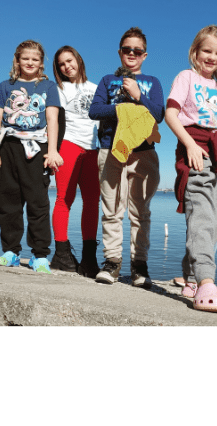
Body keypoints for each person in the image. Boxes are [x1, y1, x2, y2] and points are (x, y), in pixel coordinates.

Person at [165, 25, 217, 313]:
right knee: (199, 216)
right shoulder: (186, 77)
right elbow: (171, 114)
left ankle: (190, 279)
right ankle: (206, 282)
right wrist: (188, 144)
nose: (211, 57)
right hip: (195, 149)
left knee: (213, 222)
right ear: (195, 52)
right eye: (206, 51)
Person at [89, 27, 164, 288]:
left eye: (137, 50)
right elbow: (94, 111)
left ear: (144, 55)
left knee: (140, 212)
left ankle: (139, 266)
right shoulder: (107, 80)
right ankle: (111, 263)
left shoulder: (152, 83)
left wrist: (138, 96)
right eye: (127, 50)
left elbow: (159, 114)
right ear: (120, 52)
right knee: (111, 209)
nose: (132, 54)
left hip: (143, 153)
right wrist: (123, 108)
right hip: (111, 148)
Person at [0, 40, 63, 274]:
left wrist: (52, 150)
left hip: (36, 148)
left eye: (35, 59)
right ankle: (11, 252)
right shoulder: (5, 86)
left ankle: (40, 255)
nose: (30, 62)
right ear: (17, 60)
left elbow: (52, 119)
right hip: (7, 146)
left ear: (41, 63)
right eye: (25, 58)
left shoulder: (48, 87)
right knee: (8, 201)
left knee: (38, 202)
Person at [49, 46, 101, 277]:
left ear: (78, 60)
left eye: (69, 61)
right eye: (61, 64)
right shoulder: (58, 89)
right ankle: (61, 254)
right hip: (68, 145)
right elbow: (52, 121)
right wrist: (53, 151)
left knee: (92, 201)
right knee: (64, 199)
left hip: (93, 149)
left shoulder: (96, 87)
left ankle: (89, 258)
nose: (67, 66)